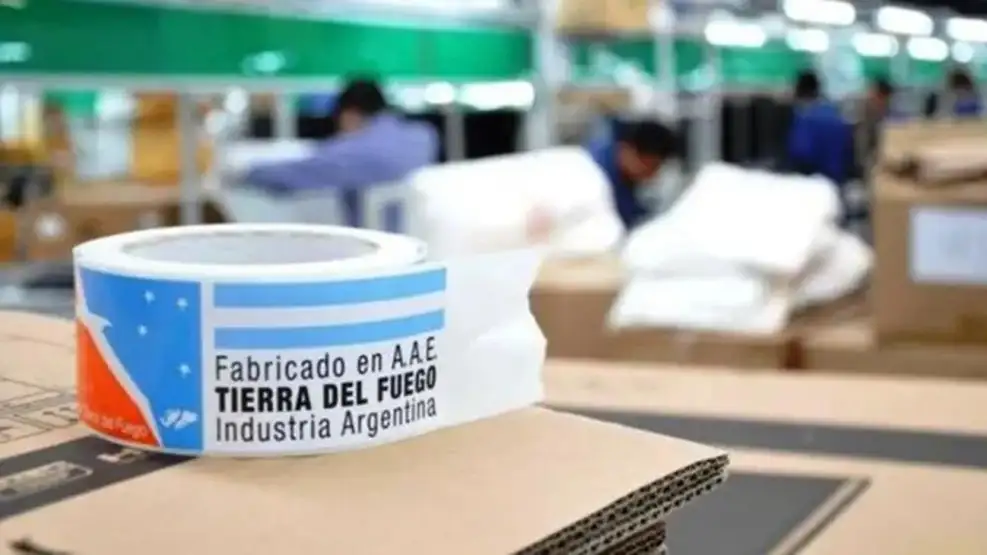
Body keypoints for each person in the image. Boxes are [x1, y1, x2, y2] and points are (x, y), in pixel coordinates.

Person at [244, 78, 439, 226]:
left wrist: (245, 173)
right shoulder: (423, 135)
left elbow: (296, 174)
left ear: (349, 113)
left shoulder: (356, 152)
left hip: (373, 246)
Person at [584, 119, 679, 230]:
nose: (652, 175)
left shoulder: (624, 178)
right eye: (650, 166)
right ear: (629, 150)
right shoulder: (594, 173)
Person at [786, 70, 853, 187]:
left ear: (799, 91)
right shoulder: (836, 113)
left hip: (814, 184)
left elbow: (801, 154)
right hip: (837, 182)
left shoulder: (805, 117)